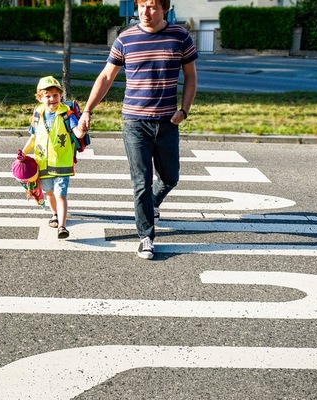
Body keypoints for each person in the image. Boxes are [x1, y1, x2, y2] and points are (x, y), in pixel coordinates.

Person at [75, 0, 197, 260]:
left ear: (164, 8)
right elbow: (106, 77)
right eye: (141, 6)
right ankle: (146, 237)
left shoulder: (180, 37)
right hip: (135, 123)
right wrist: (87, 110)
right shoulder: (125, 39)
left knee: (170, 178)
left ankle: (152, 205)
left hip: (167, 122)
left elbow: (191, 77)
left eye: (152, 6)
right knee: (141, 182)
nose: (145, 12)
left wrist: (184, 110)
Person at [22, 76, 84, 240]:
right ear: (40, 98)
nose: (52, 99)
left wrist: (82, 129)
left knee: (61, 195)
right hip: (43, 163)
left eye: (55, 95)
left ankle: (62, 226)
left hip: (62, 163)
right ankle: (55, 214)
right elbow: (34, 137)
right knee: (49, 192)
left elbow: (76, 132)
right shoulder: (37, 114)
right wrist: (24, 151)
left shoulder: (67, 114)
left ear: (60, 96)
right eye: (47, 96)